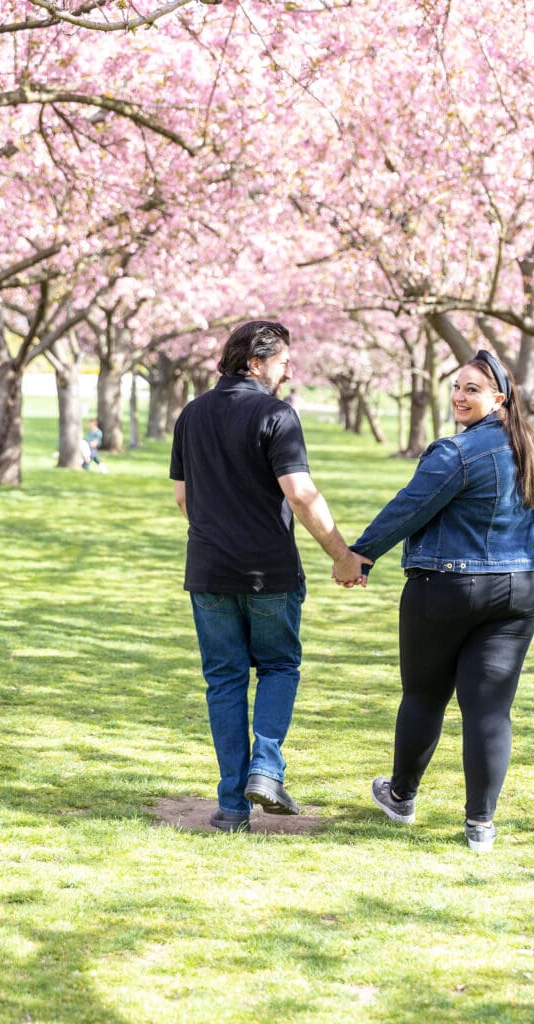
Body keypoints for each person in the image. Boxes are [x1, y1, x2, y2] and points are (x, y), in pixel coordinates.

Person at [339, 350, 534, 852]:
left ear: (499, 397)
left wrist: (359, 555)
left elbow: (408, 507)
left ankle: (402, 798)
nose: (459, 395)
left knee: (424, 695)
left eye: (472, 389)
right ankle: (480, 825)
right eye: (456, 386)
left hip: (447, 588)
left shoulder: (457, 454)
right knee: (490, 709)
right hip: (520, 588)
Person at [170, 320, 371, 832]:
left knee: (224, 681)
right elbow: (300, 494)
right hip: (269, 573)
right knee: (279, 667)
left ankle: (233, 807)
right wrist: (343, 555)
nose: (288, 369)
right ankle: (266, 767)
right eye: (283, 360)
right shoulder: (276, 415)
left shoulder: (191, 414)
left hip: (208, 571)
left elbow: (182, 497)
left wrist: (219, 531)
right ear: (256, 363)